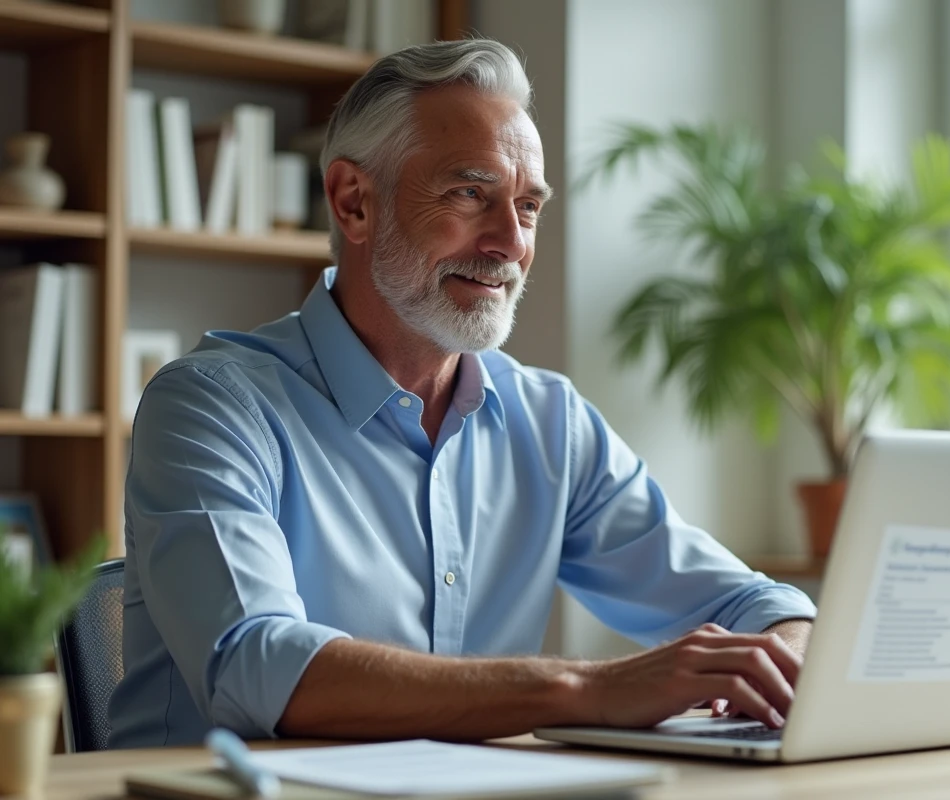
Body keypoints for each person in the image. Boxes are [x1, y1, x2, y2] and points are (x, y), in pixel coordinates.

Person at [108, 38, 816, 749]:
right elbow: (255, 667)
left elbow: (756, 604)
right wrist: (588, 689)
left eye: (529, 206)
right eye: (470, 193)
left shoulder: (550, 421)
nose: (510, 242)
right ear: (354, 202)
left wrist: (783, 653)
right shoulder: (209, 405)